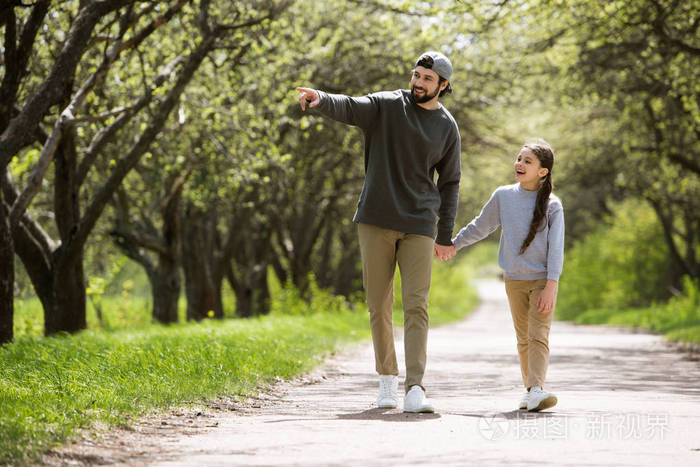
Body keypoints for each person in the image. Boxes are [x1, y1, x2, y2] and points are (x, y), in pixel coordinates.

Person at [296, 51, 461, 413]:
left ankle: (415, 387)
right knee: (378, 304)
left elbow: (450, 183)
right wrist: (321, 99)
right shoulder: (387, 105)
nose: (418, 82)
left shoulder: (447, 127)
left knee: (417, 305)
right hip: (375, 219)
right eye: (416, 75)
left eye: (427, 79)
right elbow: (351, 107)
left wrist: (445, 233)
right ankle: (387, 378)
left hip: (419, 224)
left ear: (443, 85)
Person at [445, 140, 564, 412]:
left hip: (542, 280)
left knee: (538, 335)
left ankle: (536, 389)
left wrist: (551, 285)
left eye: (527, 161)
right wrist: (454, 244)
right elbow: (480, 226)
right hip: (513, 280)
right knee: (523, 337)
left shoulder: (553, 206)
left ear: (543, 171)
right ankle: (531, 391)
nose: (519, 164)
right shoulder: (504, 196)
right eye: (519, 159)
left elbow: (556, 249)